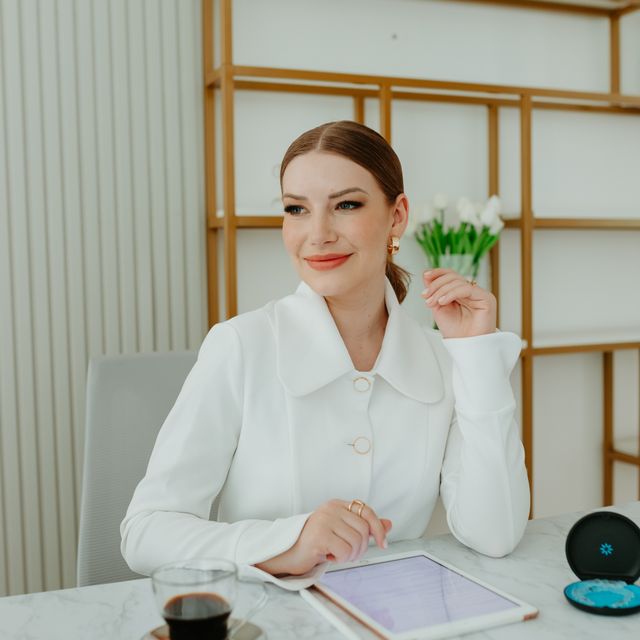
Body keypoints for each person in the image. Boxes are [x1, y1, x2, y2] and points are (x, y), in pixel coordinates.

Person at [120, 120, 530, 591]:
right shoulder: (241, 346)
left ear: (397, 216)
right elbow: (146, 532)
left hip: (396, 619)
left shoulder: (444, 360)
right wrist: (288, 543)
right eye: (296, 209)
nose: (316, 234)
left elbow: (495, 535)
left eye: (346, 205)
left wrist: (477, 355)